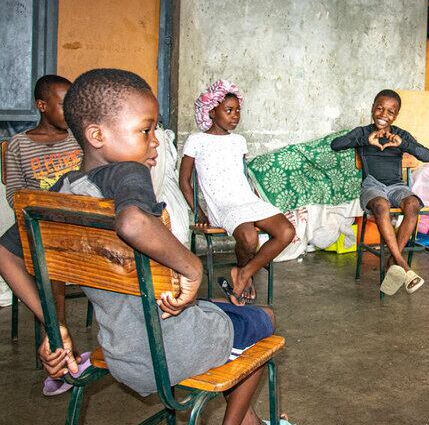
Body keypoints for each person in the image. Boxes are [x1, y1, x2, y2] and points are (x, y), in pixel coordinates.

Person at [45, 68, 285, 425]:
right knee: (263, 319)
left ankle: (249, 421)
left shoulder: (61, 193)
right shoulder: (129, 175)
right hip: (170, 350)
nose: (155, 140)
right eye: (146, 130)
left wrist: (55, 329)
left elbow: (6, 253)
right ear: (97, 135)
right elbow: (132, 223)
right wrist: (194, 267)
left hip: (118, 352)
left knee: (219, 308)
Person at [0, 74, 88, 395]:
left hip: (75, 221)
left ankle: (57, 343)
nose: (72, 110)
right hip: (39, 220)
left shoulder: (79, 139)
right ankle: (61, 343)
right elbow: (15, 196)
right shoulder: (19, 145)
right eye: (65, 104)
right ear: (42, 106)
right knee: (43, 256)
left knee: (52, 259)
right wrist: (42, 205)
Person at [179, 80, 294, 306]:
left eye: (238, 110)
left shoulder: (239, 141)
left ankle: (243, 273)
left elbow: (241, 177)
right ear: (212, 112)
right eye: (228, 110)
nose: (235, 116)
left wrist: (258, 201)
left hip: (246, 199)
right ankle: (244, 275)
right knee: (249, 238)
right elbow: (184, 181)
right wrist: (200, 215)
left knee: (286, 231)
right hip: (223, 204)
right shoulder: (197, 140)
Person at [330, 89, 429, 295]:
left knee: (413, 204)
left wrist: (403, 144)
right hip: (372, 185)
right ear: (372, 109)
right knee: (381, 205)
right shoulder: (362, 132)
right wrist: (365, 140)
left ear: (396, 115)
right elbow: (336, 144)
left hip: (397, 186)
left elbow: (426, 155)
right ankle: (403, 265)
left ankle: (393, 264)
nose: (384, 115)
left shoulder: (401, 135)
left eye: (390, 112)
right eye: (379, 108)